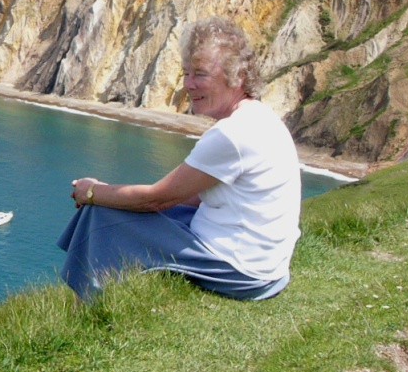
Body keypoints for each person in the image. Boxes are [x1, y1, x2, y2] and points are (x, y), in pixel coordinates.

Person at [57, 16, 301, 301]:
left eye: (200, 74)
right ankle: (93, 294)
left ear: (238, 76)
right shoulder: (259, 117)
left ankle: (90, 306)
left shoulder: (231, 135)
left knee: (101, 212)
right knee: (115, 208)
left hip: (242, 272)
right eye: (186, 73)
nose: (188, 84)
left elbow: (156, 199)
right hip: (267, 269)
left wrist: (91, 191)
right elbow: (190, 197)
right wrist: (115, 197)